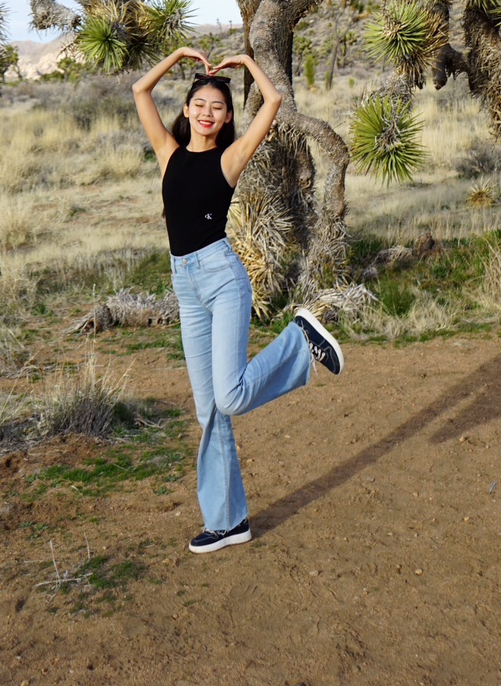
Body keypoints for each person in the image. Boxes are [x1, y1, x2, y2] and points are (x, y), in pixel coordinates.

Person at [132, 44, 343, 553]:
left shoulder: (229, 159)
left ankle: (298, 340)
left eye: (218, 108)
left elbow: (270, 104)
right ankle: (229, 522)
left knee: (229, 395)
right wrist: (180, 54)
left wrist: (246, 65)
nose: (208, 113)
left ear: (226, 119)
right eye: (200, 104)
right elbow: (140, 90)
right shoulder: (168, 153)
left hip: (223, 279)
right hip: (186, 284)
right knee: (210, 412)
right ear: (187, 111)